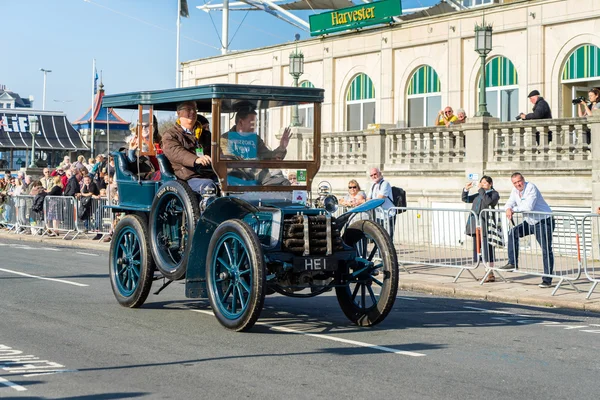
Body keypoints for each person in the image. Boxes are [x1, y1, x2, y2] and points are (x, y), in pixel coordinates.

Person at [499, 172, 555, 288]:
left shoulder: (531, 188)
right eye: (515, 183)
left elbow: (527, 207)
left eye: (519, 181)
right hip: (530, 221)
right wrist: (508, 208)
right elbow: (509, 202)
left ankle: (547, 279)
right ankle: (512, 263)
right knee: (513, 232)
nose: (518, 184)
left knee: (546, 249)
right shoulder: (515, 191)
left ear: (523, 179)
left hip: (543, 221)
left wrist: (512, 209)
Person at [220, 101, 292, 185]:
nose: (255, 127)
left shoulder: (255, 139)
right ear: (240, 122)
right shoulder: (225, 139)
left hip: (260, 176)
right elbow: (229, 162)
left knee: (284, 183)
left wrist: (282, 147)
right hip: (239, 178)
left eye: (256, 124)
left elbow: (268, 156)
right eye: (252, 123)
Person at [161, 101, 216, 193]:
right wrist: (196, 159)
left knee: (232, 182)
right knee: (209, 186)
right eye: (188, 109)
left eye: (195, 109)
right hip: (186, 178)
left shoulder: (206, 134)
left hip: (209, 173)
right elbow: (176, 152)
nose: (193, 112)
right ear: (179, 113)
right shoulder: (170, 135)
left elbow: (217, 150)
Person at [462, 176, 500, 282]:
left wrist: (480, 190)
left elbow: (488, 202)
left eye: (485, 183)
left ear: (490, 184)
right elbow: (466, 199)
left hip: (487, 225)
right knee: (479, 249)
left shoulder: (494, 194)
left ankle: (490, 272)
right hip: (476, 225)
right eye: (481, 182)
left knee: (488, 249)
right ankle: (486, 271)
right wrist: (466, 189)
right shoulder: (479, 194)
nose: (482, 184)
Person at [367, 168, 395, 238]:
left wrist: (370, 201)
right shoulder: (373, 185)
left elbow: (380, 198)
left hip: (388, 214)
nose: (373, 176)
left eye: (375, 174)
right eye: (371, 175)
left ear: (379, 173)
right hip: (378, 215)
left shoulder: (385, 184)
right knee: (379, 237)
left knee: (388, 237)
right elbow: (368, 198)